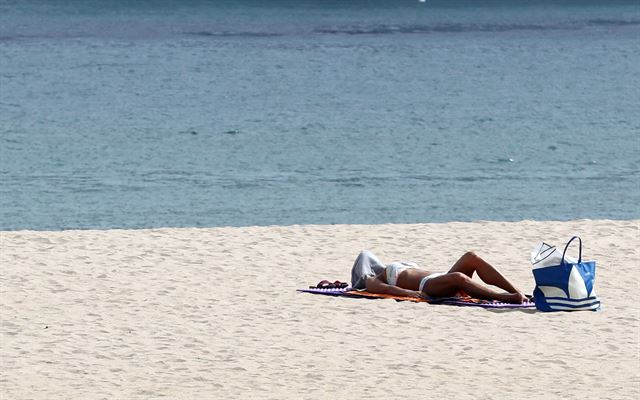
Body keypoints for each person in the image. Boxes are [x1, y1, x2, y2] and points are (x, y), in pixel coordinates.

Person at [350, 250, 529, 304]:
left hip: (439, 277)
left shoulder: (390, 267)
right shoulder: (372, 278)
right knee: (458, 276)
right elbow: (384, 289)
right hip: (426, 286)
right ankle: (505, 298)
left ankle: (516, 292)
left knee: (471, 257)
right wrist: (409, 294)